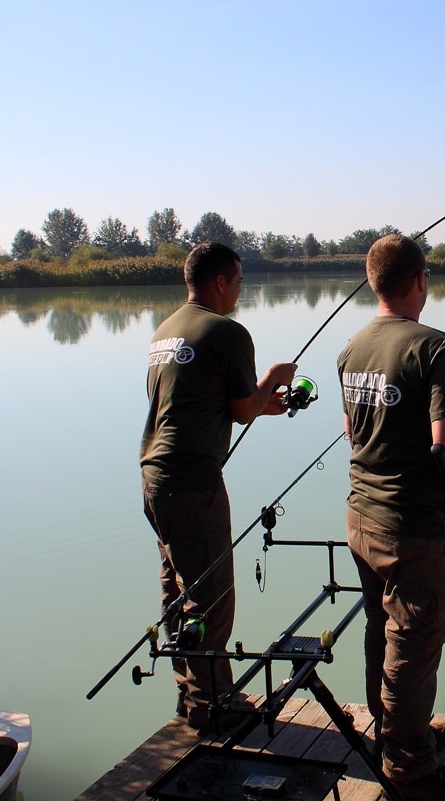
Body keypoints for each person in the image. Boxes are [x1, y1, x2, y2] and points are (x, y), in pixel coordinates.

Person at [337, 234, 445, 800]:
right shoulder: (438, 347)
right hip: (415, 529)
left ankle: (399, 735)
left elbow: (352, 433)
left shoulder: (351, 347)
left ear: (374, 283)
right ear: (420, 280)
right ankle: (410, 770)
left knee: (382, 630)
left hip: (361, 517)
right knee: (414, 647)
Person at [140, 242, 296, 733]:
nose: (241, 292)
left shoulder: (164, 331)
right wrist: (271, 378)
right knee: (210, 596)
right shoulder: (228, 332)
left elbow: (209, 402)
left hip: (154, 476)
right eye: (240, 282)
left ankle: (191, 695)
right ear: (220, 282)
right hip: (192, 483)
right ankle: (214, 706)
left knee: (176, 589)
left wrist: (257, 402)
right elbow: (242, 409)